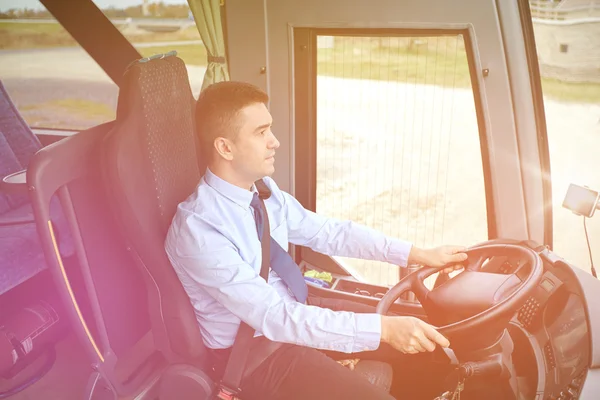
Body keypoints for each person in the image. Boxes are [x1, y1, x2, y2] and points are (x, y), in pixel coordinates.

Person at [165, 81, 468, 399]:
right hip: (256, 355)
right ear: (225, 148)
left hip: (295, 312)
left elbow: (328, 232)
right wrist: (383, 329)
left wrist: (417, 254)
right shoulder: (198, 230)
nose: (275, 142)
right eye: (261, 132)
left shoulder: (263, 190)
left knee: (430, 354)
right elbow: (274, 317)